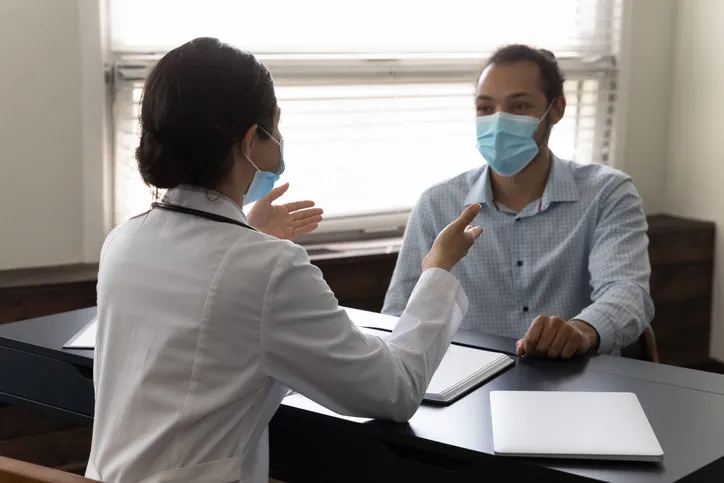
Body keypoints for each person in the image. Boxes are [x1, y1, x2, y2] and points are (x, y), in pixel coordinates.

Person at [86, 37, 482, 483]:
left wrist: (248, 233)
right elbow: (394, 388)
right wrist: (437, 272)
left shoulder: (123, 241)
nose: (279, 144)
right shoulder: (268, 268)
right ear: (251, 140)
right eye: (275, 129)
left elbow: (205, 318)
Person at [383, 44, 654, 359]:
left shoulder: (607, 192)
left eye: (520, 106)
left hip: (577, 378)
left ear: (555, 109)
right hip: (466, 387)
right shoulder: (437, 203)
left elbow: (628, 293)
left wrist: (581, 330)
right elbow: (398, 315)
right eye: (485, 108)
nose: (498, 122)